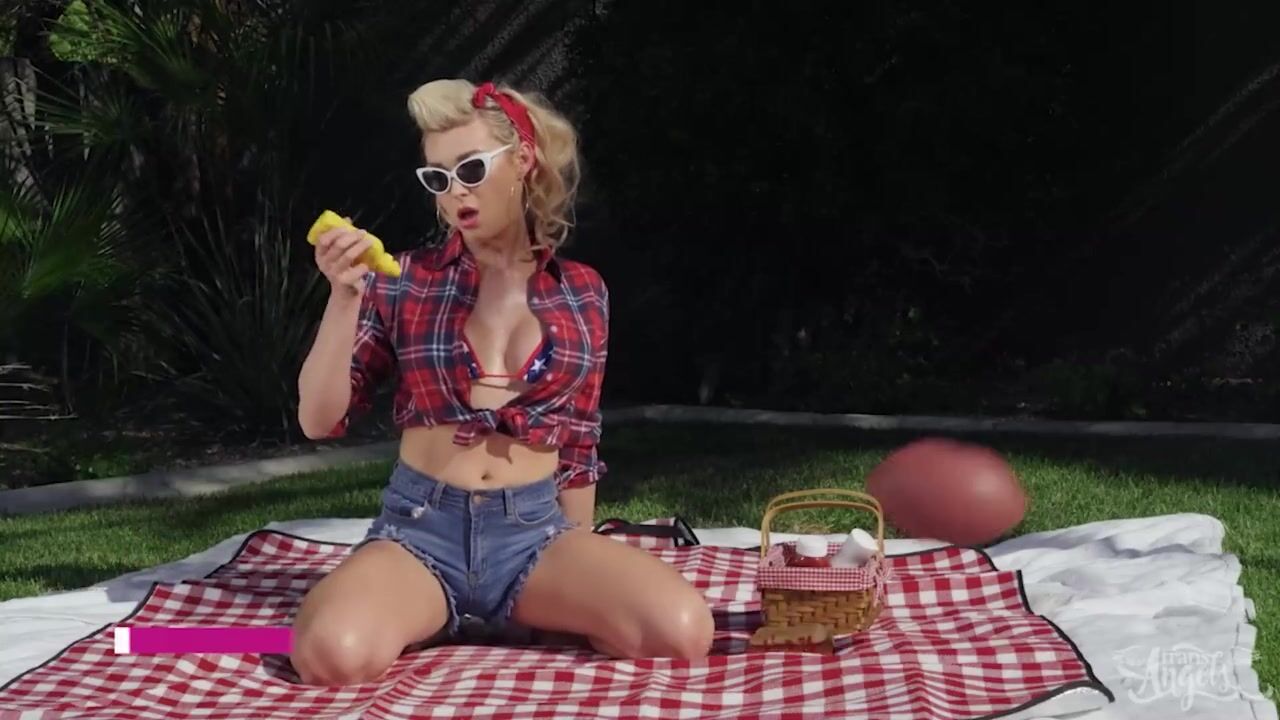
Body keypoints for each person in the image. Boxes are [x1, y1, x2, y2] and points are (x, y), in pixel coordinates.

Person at [291, 78, 715, 685]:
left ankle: (494, 615)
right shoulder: (403, 279)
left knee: (681, 633)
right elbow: (319, 419)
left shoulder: (582, 291)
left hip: (533, 536)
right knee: (332, 656)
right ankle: (415, 609)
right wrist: (343, 297)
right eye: (438, 178)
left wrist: (580, 560)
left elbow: (579, 441)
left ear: (522, 160)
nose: (455, 191)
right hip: (421, 532)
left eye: (469, 168)